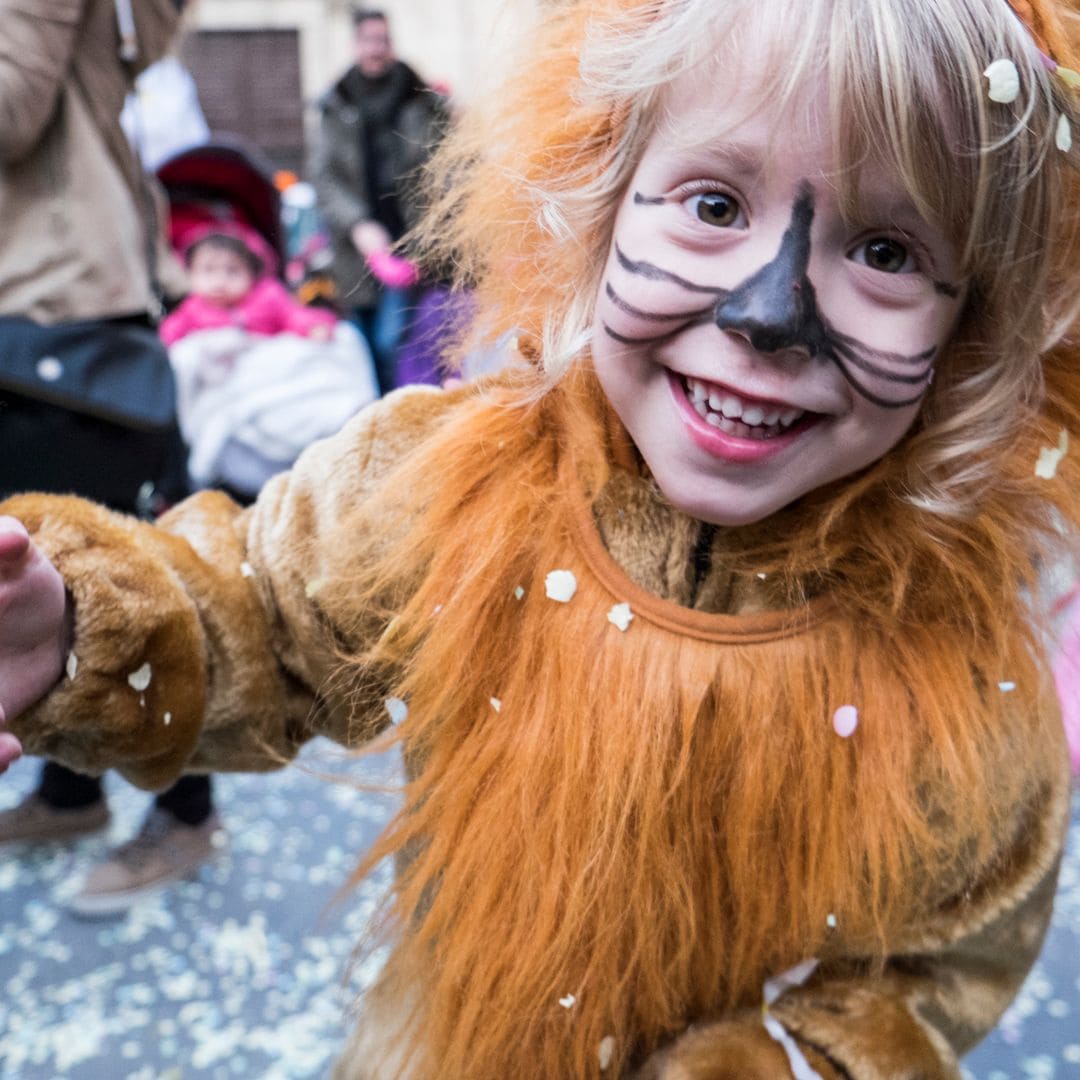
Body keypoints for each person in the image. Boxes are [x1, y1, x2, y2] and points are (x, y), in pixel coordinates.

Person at [1, 0, 1079, 1074]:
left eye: (887, 249)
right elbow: (259, 611)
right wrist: (78, 626)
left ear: (972, 324)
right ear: (598, 203)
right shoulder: (447, 484)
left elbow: (933, 971)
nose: (769, 313)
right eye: (712, 202)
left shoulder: (963, 677)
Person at [0, 0, 220, 918]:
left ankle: (188, 807)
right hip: (52, 312)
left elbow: (10, 108)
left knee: (119, 588)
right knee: (41, 586)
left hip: (62, 319)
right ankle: (71, 790)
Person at [163, 223, 378, 501]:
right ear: (190, 274)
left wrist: (315, 327)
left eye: (232, 271)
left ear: (252, 273)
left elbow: (294, 317)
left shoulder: (268, 297)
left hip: (275, 375)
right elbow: (172, 345)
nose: (220, 281)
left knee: (346, 340)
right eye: (208, 271)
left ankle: (341, 414)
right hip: (229, 386)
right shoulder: (191, 311)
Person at [310, 7, 448, 395]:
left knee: (393, 341)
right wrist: (357, 225)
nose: (376, 49)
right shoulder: (335, 103)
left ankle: (394, 411)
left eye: (383, 40)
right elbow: (324, 176)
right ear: (355, 45)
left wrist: (428, 234)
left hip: (408, 243)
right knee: (364, 340)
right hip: (355, 248)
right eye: (368, 40)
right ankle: (376, 416)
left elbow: (444, 164)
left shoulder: (421, 100)